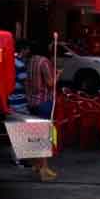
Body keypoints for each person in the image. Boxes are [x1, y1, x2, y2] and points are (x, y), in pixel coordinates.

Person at [27, 42, 58, 181]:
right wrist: (58, 75)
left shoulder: (30, 61)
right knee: (44, 136)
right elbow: (51, 84)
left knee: (35, 134)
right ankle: (44, 169)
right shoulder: (44, 62)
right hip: (44, 101)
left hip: (32, 102)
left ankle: (37, 165)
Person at [8, 39, 30, 115]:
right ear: (23, 50)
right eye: (27, 49)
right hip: (20, 103)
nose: (29, 51)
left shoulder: (10, 61)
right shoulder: (20, 64)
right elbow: (25, 83)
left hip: (10, 100)